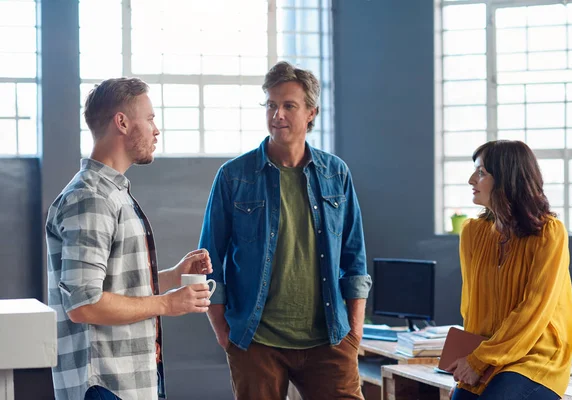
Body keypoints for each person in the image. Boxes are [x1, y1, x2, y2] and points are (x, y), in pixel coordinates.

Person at [199, 61, 372, 399]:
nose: (277, 114)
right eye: (271, 105)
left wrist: (354, 330)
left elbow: (355, 256)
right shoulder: (234, 176)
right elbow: (209, 260)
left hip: (329, 338)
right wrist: (223, 331)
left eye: (289, 105)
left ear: (311, 112)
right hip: (256, 340)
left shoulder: (336, 173)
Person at [46, 77, 213, 400]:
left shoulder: (113, 194)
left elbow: (115, 291)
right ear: (121, 122)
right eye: (149, 118)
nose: (156, 130)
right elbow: (84, 303)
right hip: (105, 385)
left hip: (130, 382)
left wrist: (172, 277)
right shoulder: (91, 198)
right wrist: (168, 303)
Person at [448, 140, 572, 400]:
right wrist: (470, 358)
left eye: (482, 172)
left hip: (536, 355)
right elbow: (472, 305)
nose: (472, 179)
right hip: (487, 353)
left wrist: (479, 360)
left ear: (507, 178)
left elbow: (534, 308)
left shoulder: (549, 232)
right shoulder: (472, 232)